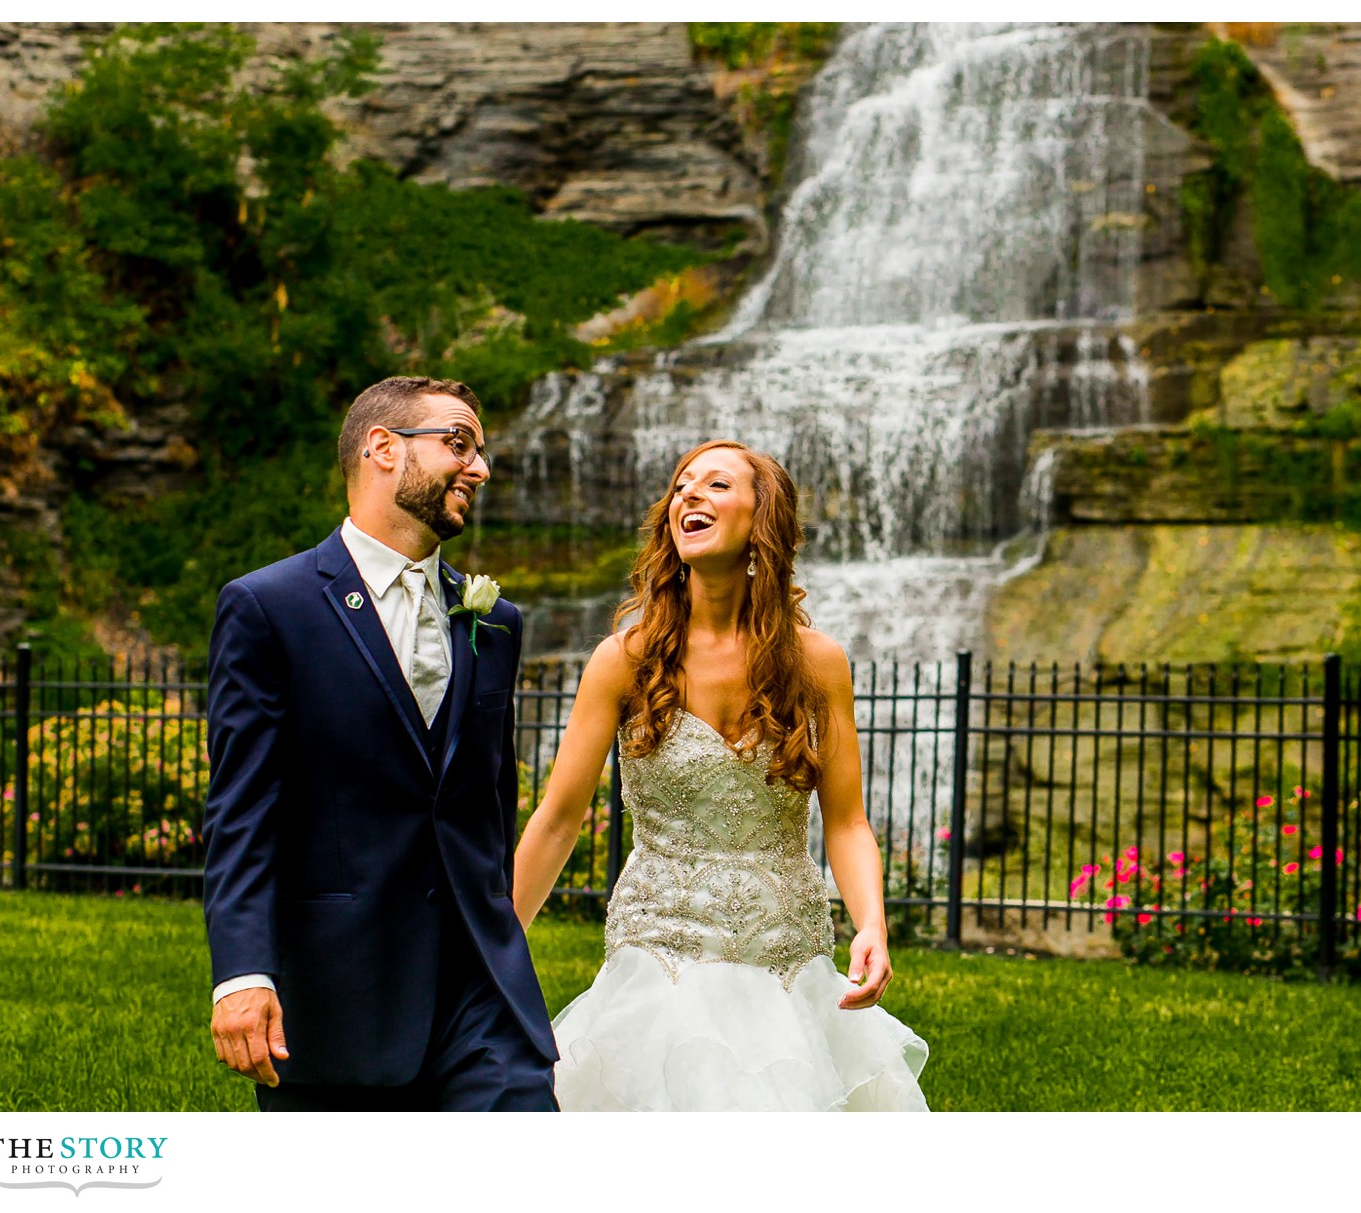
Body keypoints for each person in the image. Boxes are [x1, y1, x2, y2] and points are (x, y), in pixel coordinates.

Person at [512, 439, 930, 1111]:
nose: (690, 495)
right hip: (661, 956)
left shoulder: (818, 663)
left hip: (786, 960)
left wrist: (872, 924)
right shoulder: (623, 660)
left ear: (761, 520)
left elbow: (847, 821)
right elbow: (559, 820)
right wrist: (501, 944)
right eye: (681, 487)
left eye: (715, 484)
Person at [203, 375, 558, 1111]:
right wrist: (243, 973)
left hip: (480, 994)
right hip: (336, 995)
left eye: (482, 450)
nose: (481, 468)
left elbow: (492, 797)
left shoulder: (496, 621)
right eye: (458, 443)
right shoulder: (269, 607)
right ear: (382, 448)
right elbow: (241, 811)